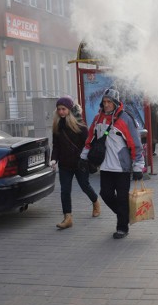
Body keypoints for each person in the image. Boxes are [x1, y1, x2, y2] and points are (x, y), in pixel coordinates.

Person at [79, 88, 144, 239]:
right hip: (106, 167)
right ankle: (125, 214)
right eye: (104, 101)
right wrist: (83, 157)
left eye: (109, 102)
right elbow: (90, 139)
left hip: (122, 168)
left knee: (121, 198)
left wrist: (138, 166)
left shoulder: (125, 119)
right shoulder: (97, 119)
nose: (106, 104)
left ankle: (122, 227)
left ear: (115, 103)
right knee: (105, 194)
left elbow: (135, 144)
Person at [50, 96, 100, 230]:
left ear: (70, 110)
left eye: (63, 109)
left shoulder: (80, 126)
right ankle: (68, 218)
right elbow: (56, 145)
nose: (61, 112)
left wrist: (87, 159)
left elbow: (88, 144)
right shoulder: (57, 126)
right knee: (65, 191)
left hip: (79, 164)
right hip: (65, 165)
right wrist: (53, 159)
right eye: (59, 109)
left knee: (85, 186)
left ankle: (95, 202)